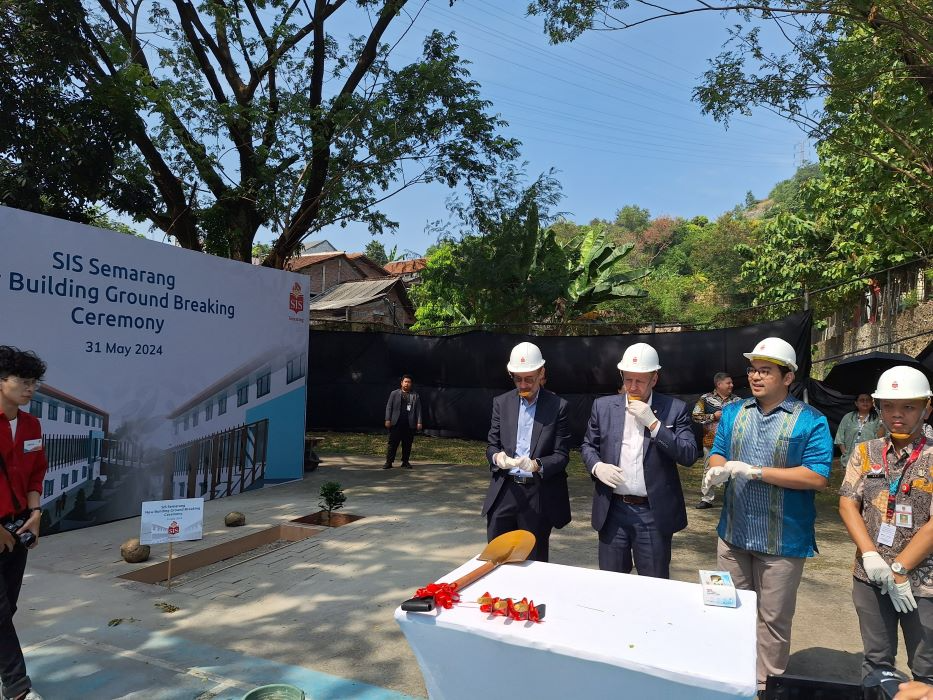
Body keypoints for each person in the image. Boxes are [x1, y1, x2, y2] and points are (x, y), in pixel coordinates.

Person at [702, 336, 832, 693]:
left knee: (773, 618)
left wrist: (756, 472)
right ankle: (729, 676)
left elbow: (818, 476)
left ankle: (765, 684)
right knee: (729, 608)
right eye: (753, 370)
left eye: (766, 371)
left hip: (782, 539)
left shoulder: (809, 420)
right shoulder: (734, 412)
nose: (756, 377)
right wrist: (718, 468)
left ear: (787, 377)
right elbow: (717, 450)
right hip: (733, 533)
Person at [838, 366, 933, 687]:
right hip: (871, 576)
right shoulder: (867, 452)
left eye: (908, 406)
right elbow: (848, 502)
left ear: (926, 408)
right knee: (877, 662)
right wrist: (869, 555)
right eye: (889, 406)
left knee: (926, 668)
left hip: (923, 585)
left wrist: (900, 568)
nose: (897, 414)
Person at [582, 342, 698, 578]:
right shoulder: (603, 407)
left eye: (640, 381)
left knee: (654, 582)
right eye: (628, 380)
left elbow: (688, 454)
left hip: (652, 513)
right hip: (612, 509)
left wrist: (655, 425)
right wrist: (597, 466)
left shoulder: (674, 409)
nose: (632, 387)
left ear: (654, 379)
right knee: (611, 582)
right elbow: (588, 446)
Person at [483, 342, 570, 563]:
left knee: (533, 560)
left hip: (537, 494)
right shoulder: (501, 403)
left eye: (529, 379)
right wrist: (497, 457)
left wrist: (537, 464)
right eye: (518, 379)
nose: (523, 384)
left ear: (542, 373)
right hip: (505, 490)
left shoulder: (557, 406)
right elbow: (492, 444)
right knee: (496, 557)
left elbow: (561, 455)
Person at [0, 346, 48, 700]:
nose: (31, 388)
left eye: (35, 382)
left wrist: (35, 514)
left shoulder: (31, 424)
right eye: (24, 381)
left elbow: (35, 472)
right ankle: (17, 689)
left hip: (18, 526)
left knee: (9, 608)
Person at [693, 372, 741, 509]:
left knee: (733, 469)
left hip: (732, 442)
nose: (732, 385)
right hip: (711, 441)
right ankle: (707, 498)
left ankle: (732, 498)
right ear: (719, 384)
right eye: (728, 383)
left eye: (732, 383)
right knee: (708, 469)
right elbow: (695, 416)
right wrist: (713, 416)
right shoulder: (705, 399)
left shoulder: (737, 401)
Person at [383, 374, 422, 470]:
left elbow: (419, 410)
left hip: (409, 424)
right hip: (396, 423)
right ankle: (389, 462)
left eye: (409, 382)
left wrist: (419, 422)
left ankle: (405, 461)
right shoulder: (394, 393)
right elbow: (389, 407)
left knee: (407, 444)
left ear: (411, 384)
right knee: (392, 444)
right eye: (405, 382)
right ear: (401, 383)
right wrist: (387, 419)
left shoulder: (415, 395)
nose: (407, 384)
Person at [835, 393, 882, 463]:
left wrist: (882, 423)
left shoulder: (877, 419)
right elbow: (839, 436)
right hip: (850, 458)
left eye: (868, 400)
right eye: (862, 400)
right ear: (856, 403)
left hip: (870, 458)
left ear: (872, 403)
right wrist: (844, 452)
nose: (865, 402)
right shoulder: (848, 417)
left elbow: (880, 439)